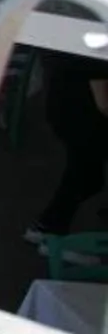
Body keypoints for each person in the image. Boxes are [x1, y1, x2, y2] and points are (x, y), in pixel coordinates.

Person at [33, 47, 108, 239]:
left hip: (62, 109)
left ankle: (47, 228)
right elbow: (104, 103)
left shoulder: (78, 36)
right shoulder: (96, 52)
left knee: (86, 176)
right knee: (84, 178)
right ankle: (49, 230)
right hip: (84, 119)